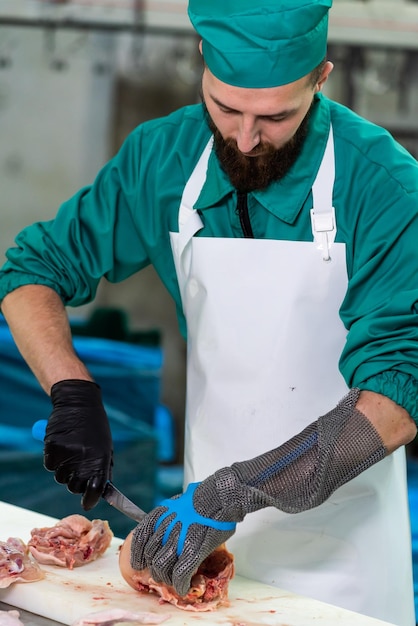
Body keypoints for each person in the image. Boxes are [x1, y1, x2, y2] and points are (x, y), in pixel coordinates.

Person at [0, 0, 417, 623]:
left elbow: (395, 399)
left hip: (340, 552)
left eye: (275, 116)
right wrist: (71, 391)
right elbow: (31, 271)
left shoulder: (384, 185)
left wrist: (236, 492)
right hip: (191, 539)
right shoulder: (163, 158)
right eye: (226, 107)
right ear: (201, 63)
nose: (245, 139)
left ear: (321, 78)